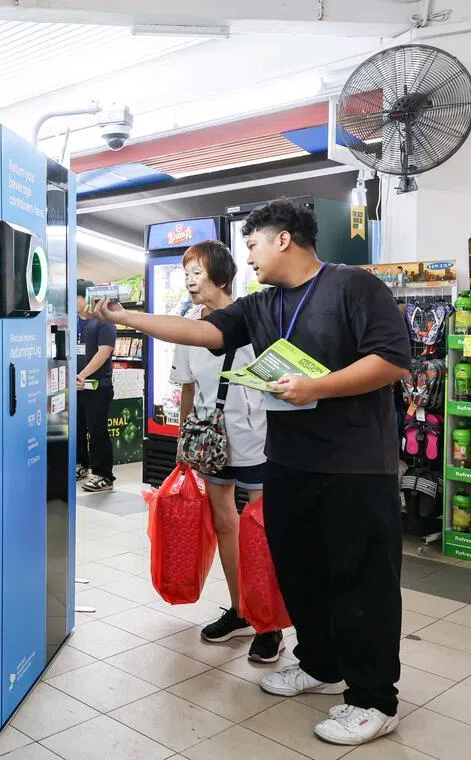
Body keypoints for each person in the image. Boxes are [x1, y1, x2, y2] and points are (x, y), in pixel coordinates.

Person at [93, 200, 410, 747]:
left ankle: (375, 698)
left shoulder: (354, 287)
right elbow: (200, 333)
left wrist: (317, 386)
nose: (249, 256)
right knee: (301, 570)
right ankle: (320, 664)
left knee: (361, 579)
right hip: (287, 462)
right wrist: (126, 318)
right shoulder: (262, 306)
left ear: (284, 238)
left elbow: (392, 359)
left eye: (254, 244)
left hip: (356, 465)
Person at [169, 241, 282, 664]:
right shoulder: (185, 326)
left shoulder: (252, 320)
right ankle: (239, 610)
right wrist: (184, 441)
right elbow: (186, 385)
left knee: (260, 530)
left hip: (254, 436)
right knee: (224, 523)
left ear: (220, 275)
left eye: (197, 272)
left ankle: (269, 622)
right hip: (209, 439)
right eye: (186, 274)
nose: (190, 281)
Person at [76, 280, 117, 492]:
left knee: (97, 430)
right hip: (76, 386)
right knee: (77, 427)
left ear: (86, 298)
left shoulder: (104, 321)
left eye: (74, 297)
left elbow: (104, 352)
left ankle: (103, 474)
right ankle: (81, 464)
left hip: (98, 386)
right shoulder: (72, 321)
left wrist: (82, 375)